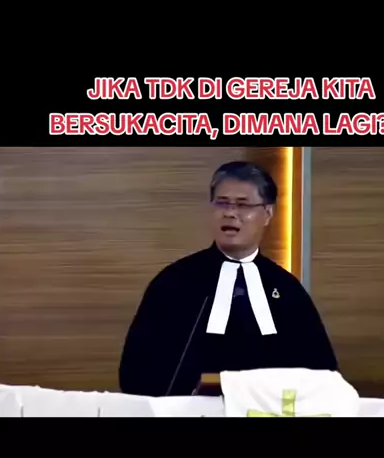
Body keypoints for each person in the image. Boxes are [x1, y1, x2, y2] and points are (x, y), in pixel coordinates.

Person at [119, 161, 337, 396]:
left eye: (243, 205)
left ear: (267, 213)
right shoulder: (174, 282)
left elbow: (322, 372)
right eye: (222, 203)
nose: (230, 213)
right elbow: (136, 370)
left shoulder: (286, 289)